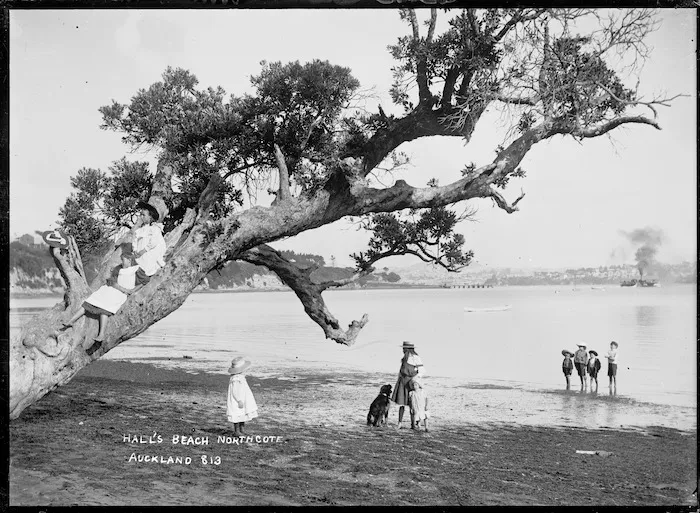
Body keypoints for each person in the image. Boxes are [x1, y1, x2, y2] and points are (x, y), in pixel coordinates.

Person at [59, 244, 143, 353]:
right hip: (113, 289)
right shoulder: (119, 268)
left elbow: (143, 281)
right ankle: (71, 320)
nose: (123, 262)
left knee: (105, 308)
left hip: (121, 294)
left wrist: (132, 290)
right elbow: (111, 281)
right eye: (122, 260)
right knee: (90, 301)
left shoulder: (136, 270)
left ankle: (101, 334)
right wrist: (118, 286)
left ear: (129, 260)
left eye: (125, 260)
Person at [130, 200, 167, 285]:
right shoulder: (140, 230)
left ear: (150, 217)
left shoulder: (154, 228)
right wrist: (135, 249)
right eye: (141, 215)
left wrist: (144, 250)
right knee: (136, 264)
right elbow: (135, 240)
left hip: (149, 252)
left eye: (144, 215)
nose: (141, 217)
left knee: (147, 265)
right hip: (140, 254)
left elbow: (154, 242)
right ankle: (138, 281)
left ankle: (145, 279)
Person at [391, 341, 423, 429]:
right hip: (402, 382)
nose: (403, 350)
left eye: (404, 348)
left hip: (411, 383)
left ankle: (415, 423)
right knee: (401, 404)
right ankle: (400, 423)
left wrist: (415, 380)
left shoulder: (416, 357)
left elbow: (421, 371)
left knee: (413, 404)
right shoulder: (404, 358)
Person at [226, 357, 258, 436]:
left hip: (242, 398)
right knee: (236, 414)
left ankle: (242, 429)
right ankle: (237, 431)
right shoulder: (236, 379)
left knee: (242, 413)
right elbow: (235, 391)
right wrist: (239, 400)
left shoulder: (240, 377)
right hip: (237, 400)